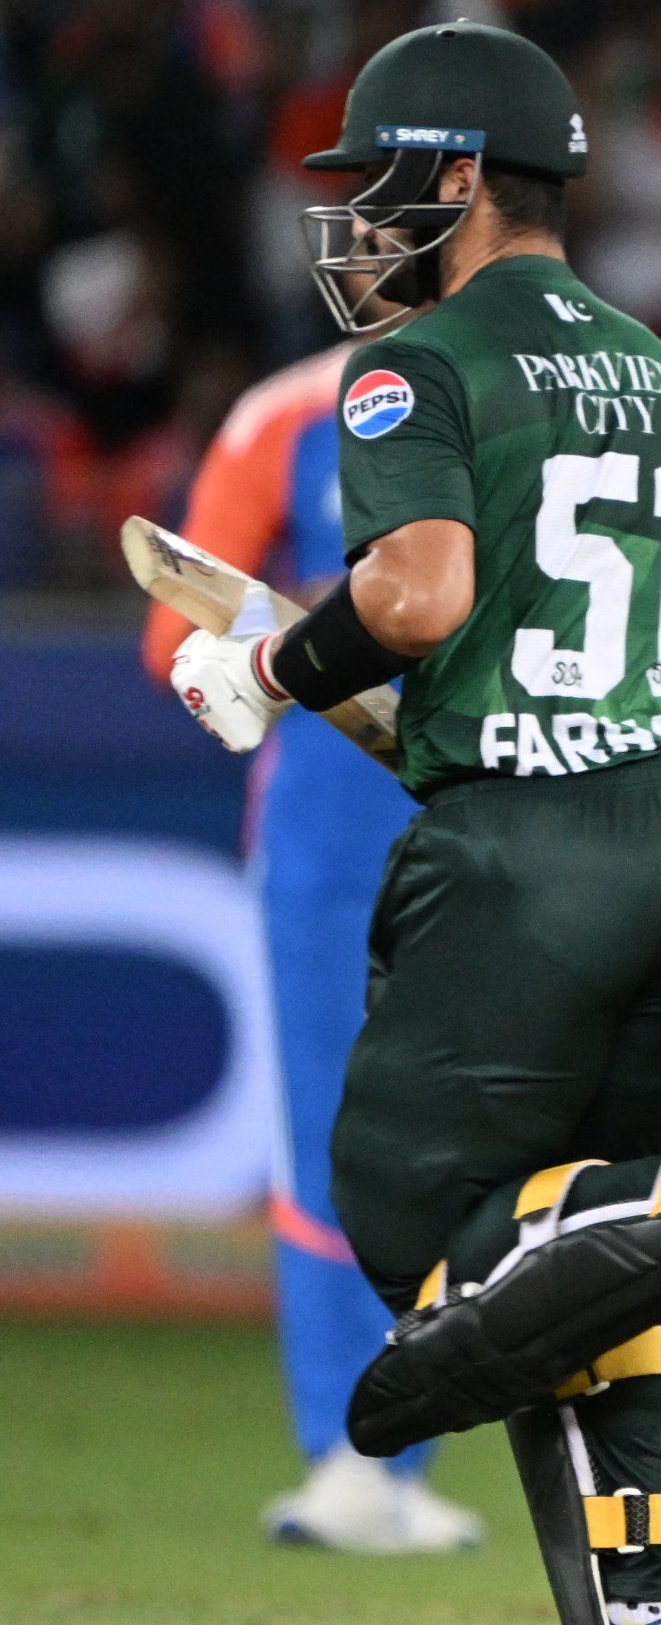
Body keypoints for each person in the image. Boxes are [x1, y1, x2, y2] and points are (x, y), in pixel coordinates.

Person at [158, 22, 661, 1625]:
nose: (363, 224)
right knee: (563, 1245)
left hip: (524, 852)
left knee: (410, 1214)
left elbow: (422, 596)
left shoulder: (414, 369)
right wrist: (644, 743)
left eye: (382, 186)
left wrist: (266, 672)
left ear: (458, 180)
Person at [144, 352, 483, 1557]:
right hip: (345, 822)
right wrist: (320, 632)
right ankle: (351, 1449)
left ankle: (410, 1447)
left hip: (482, 799)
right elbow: (165, 627)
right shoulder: (280, 412)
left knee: (463, 1136)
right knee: (334, 1125)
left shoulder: (519, 377)